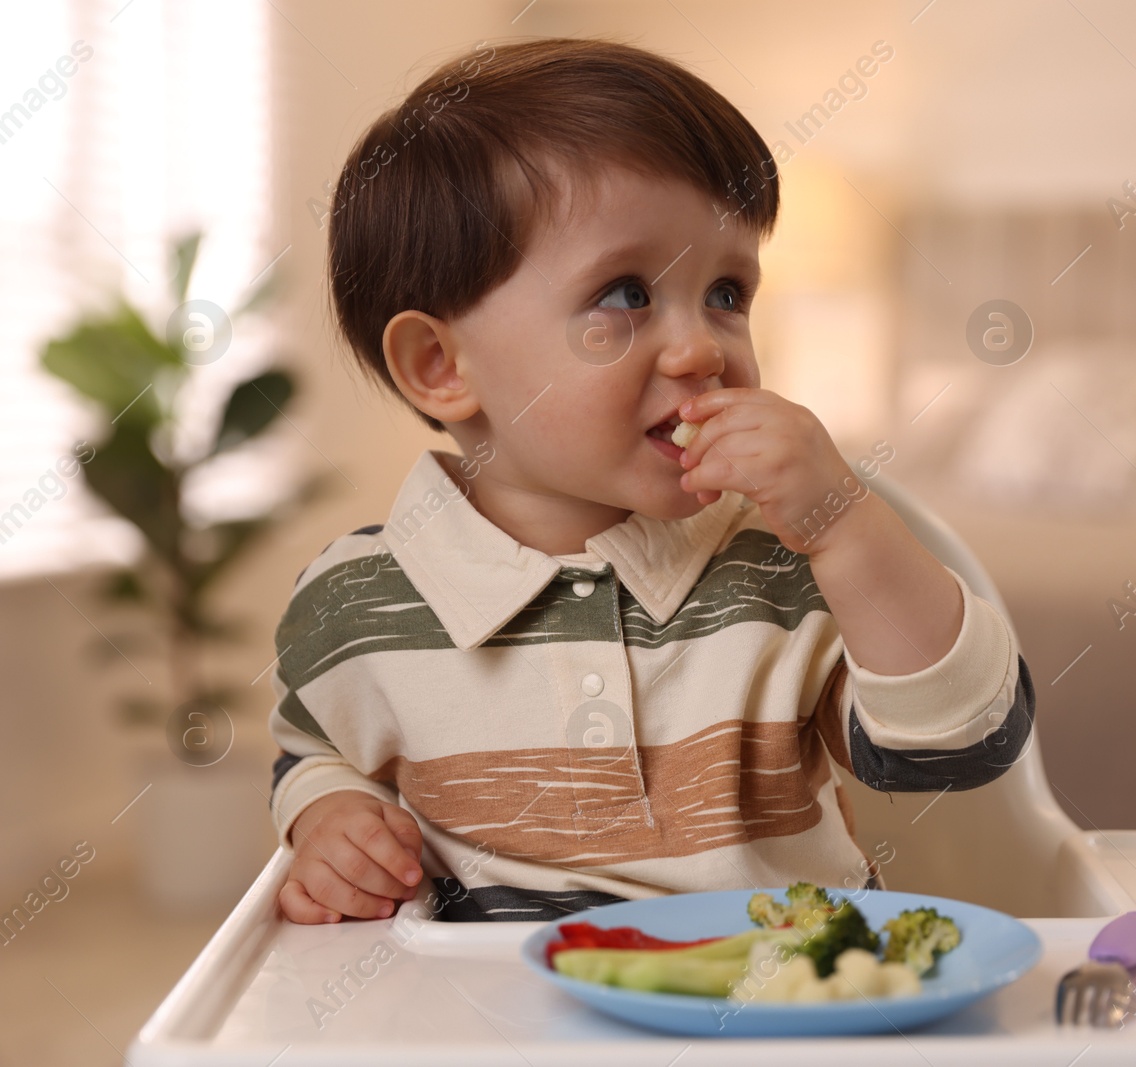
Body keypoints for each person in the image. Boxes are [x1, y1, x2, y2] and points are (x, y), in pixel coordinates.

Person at [269, 37, 1034, 924]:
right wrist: (326, 817)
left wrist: (843, 526)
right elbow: (313, 750)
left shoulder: (785, 564)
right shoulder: (353, 603)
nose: (704, 347)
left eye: (727, 293)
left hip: (784, 1007)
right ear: (441, 364)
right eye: (627, 294)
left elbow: (965, 748)